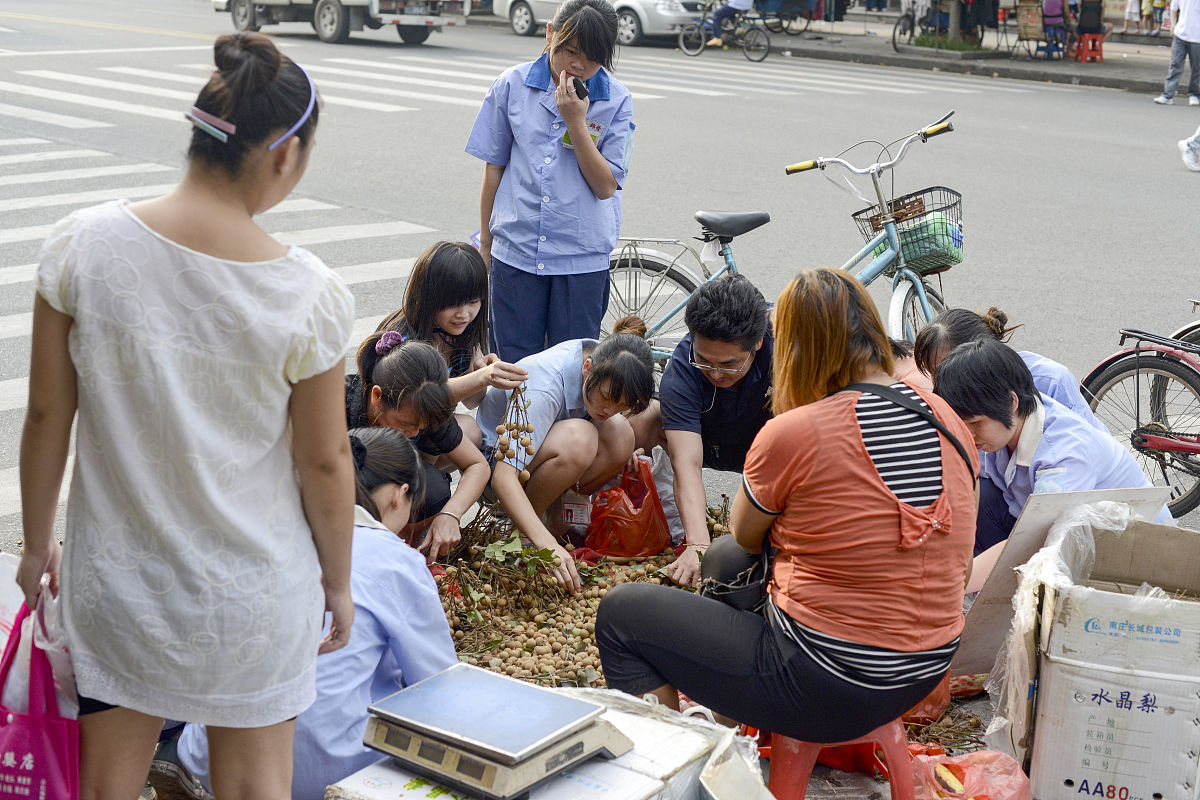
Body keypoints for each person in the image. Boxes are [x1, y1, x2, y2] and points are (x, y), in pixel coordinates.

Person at [17, 33, 355, 800]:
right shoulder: (309, 295)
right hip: (255, 603)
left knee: (105, 788)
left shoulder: (81, 247)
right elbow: (324, 461)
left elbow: (45, 416)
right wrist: (337, 582)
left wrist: (37, 547)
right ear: (285, 155)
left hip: (120, 594)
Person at [596, 268, 977, 743]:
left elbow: (745, 533)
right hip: (928, 667)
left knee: (622, 615)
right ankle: (727, 725)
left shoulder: (797, 430)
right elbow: (959, 561)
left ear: (790, 348)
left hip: (832, 681)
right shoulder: (947, 418)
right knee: (724, 559)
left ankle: (672, 763)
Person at [166, 429, 457, 800]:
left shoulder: (267, 533)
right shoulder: (397, 561)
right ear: (399, 495)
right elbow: (439, 685)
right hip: (327, 772)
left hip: (209, 756)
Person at [466, 0, 635, 363]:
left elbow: (605, 186)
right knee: (513, 369)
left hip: (580, 261)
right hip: (517, 253)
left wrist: (576, 122)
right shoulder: (511, 85)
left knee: (571, 371)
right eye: (570, 51)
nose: (579, 65)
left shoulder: (617, 100)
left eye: (592, 57)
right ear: (549, 34)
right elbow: (494, 168)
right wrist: (486, 244)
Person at [934, 339, 1173, 556]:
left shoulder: (1062, 455)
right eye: (960, 425)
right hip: (1069, 533)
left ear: (1011, 401)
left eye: (975, 423)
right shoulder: (1007, 425)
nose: (968, 434)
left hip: (1136, 550)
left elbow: (1041, 545)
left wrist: (960, 579)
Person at [477, 325, 654, 595]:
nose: (610, 410)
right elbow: (503, 477)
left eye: (622, 405)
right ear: (587, 367)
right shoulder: (543, 386)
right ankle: (523, 533)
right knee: (580, 438)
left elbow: (615, 418)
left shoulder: (604, 358)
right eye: (606, 398)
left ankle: (560, 512)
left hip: (539, 451)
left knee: (622, 435)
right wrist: (546, 544)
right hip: (492, 468)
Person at [626, 275, 773, 588]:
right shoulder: (682, 370)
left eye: (729, 364)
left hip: (771, 445)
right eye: (705, 361)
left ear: (758, 342)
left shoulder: (788, 349)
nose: (716, 374)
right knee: (636, 422)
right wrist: (698, 545)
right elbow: (687, 464)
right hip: (711, 440)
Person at [346, 331, 489, 563]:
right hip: (337, 493)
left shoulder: (424, 406)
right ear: (377, 396)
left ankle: (411, 547)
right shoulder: (336, 407)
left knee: (433, 488)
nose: (414, 433)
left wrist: (450, 514)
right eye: (406, 424)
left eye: (422, 427)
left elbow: (477, 465)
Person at [373, 240, 528, 448]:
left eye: (473, 302)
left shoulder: (464, 332)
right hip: (394, 432)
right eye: (453, 304)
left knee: (470, 431)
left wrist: (477, 367)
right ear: (427, 297)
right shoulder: (404, 339)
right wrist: (483, 377)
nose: (463, 314)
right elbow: (421, 397)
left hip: (429, 428)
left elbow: (472, 401)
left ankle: (432, 468)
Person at [914, 307, 1105, 432]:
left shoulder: (1049, 380)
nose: (939, 385)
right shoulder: (951, 400)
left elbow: (1084, 448)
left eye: (945, 370)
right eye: (933, 373)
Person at [1153, 0, 1200, 105]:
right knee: (1175, 64)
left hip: (1197, 38)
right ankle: (1168, 95)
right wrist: (1172, 24)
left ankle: (1194, 94)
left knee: (1196, 68)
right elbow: (1173, 7)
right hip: (1180, 34)